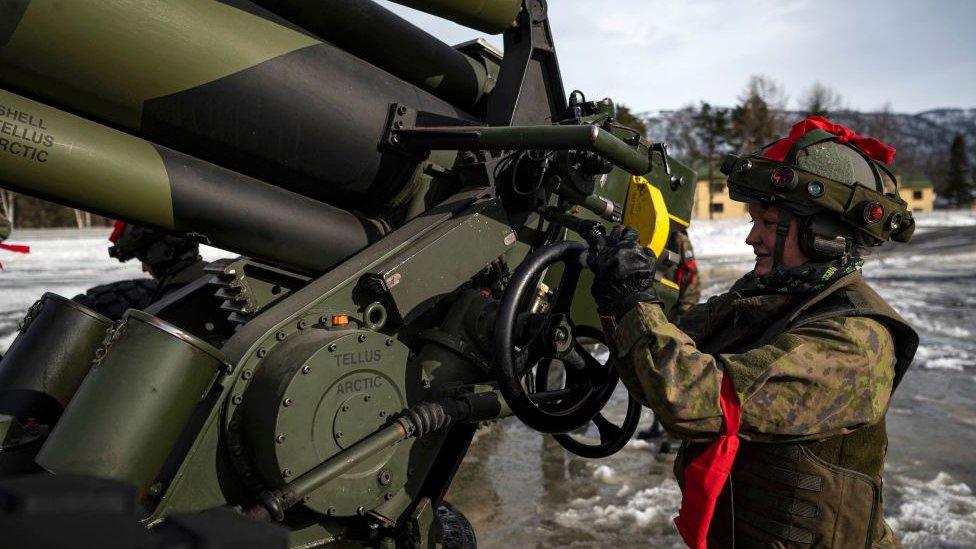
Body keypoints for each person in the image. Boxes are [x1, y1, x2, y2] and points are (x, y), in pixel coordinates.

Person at [586, 116, 918, 548]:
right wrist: (621, 303)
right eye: (752, 221)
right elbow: (664, 360)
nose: (752, 239)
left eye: (768, 222)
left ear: (827, 234)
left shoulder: (856, 339)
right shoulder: (766, 297)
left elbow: (697, 399)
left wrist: (634, 301)